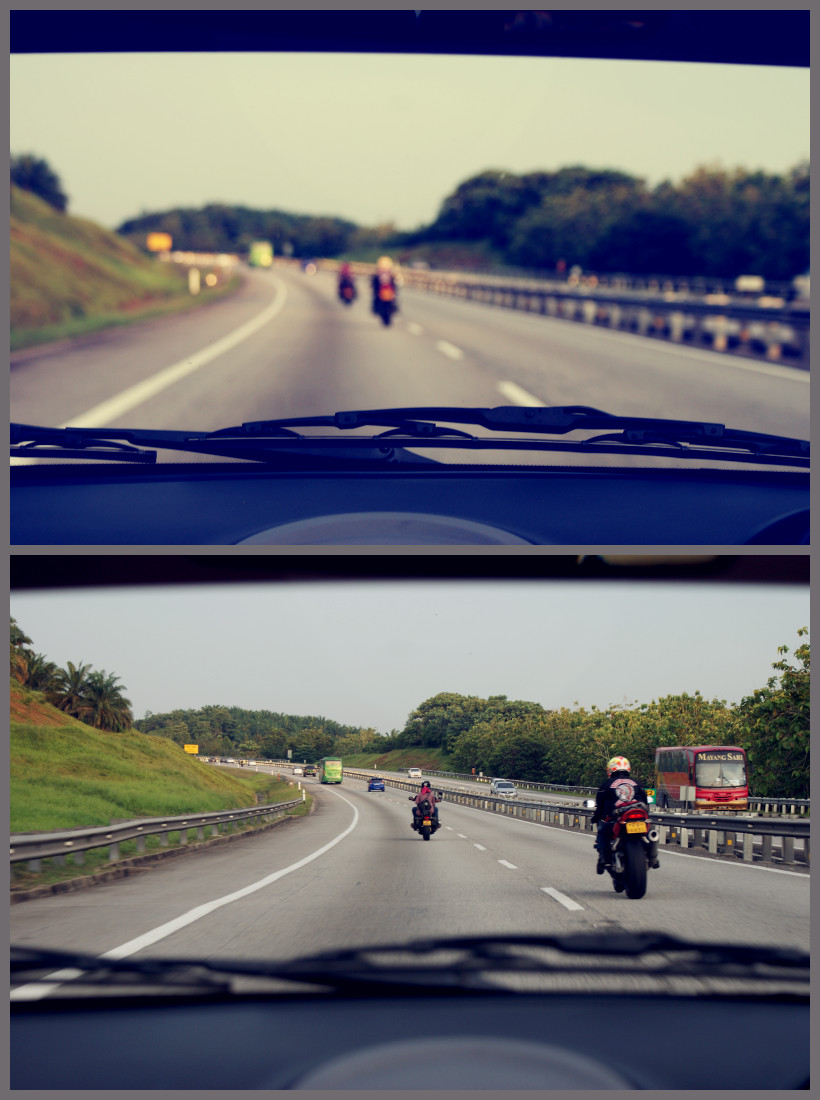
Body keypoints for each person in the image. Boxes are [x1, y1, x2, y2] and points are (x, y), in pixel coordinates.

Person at [590, 756, 648, 873]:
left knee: (602, 830)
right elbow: (645, 801)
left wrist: (596, 817)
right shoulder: (637, 783)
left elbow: (600, 805)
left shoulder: (607, 784)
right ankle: (652, 856)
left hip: (617, 817)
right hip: (638, 815)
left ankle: (603, 859)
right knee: (650, 834)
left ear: (611, 769)